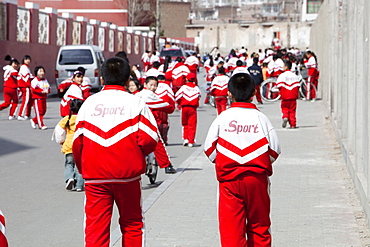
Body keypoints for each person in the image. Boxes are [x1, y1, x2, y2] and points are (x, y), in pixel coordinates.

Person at [72, 57, 159, 246]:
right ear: (128, 79)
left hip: (95, 177)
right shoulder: (136, 104)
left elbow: (77, 143)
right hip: (127, 176)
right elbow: (150, 140)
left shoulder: (89, 104)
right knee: (133, 224)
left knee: (96, 228)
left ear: (102, 79)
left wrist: (82, 169)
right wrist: (136, 155)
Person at [203, 72, 281, 247]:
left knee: (231, 230)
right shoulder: (261, 118)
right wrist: (255, 160)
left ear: (229, 94)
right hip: (257, 179)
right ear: (254, 93)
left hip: (229, 181)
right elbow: (275, 150)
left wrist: (226, 160)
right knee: (260, 226)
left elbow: (209, 150)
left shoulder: (222, 118)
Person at [136, 76, 177, 174]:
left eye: (155, 86)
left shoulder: (136, 95)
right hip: (148, 123)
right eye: (151, 85)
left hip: (135, 124)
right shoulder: (150, 95)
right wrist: (171, 108)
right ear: (145, 84)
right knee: (158, 143)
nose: (153, 87)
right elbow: (167, 107)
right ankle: (167, 165)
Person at [54, 99, 85, 191]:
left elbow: (59, 132)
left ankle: (69, 178)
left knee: (69, 164)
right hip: (80, 145)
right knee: (79, 166)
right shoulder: (83, 119)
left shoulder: (66, 119)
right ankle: (79, 185)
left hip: (68, 145)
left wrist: (61, 141)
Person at [175, 73, 201, 147]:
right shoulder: (196, 88)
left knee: (185, 123)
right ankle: (191, 140)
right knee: (192, 125)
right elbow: (199, 96)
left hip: (184, 107)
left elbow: (177, 96)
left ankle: (185, 138)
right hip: (193, 108)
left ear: (186, 79)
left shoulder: (183, 87)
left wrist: (179, 103)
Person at [275, 61, 300, 129]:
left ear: (286, 67)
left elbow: (279, 85)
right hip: (293, 95)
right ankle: (293, 124)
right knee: (292, 110)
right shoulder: (294, 76)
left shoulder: (282, 75)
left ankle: (285, 116)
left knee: (285, 108)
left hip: (285, 95)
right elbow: (298, 85)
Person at [155, 74, 175, 145]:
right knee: (164, 123)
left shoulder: (154, 85)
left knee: (156, 123)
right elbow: (171, 96)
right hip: (164, 106)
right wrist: (172, 106)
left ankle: (157, 138)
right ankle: (164, 139)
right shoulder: (166, 86)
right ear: (164, 80)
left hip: (155, 107)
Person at [0, 55, 19, 120]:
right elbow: (16, 75)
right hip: (12, 88)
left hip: (5, 88)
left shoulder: (6, 69)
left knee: (7, 103)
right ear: (11, 63)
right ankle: (11, 115)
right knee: (15, 102)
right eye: (14, 64)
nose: (15, 65)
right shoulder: (13, 71)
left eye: (16, 64)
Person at [17, 55, 34, 120]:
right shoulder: (24, 67)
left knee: (29, 100)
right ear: (24, 60)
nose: (28, 60)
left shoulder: (27, 67)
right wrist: (29, 86)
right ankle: (20, 115)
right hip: (25, 86)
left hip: (26, 85)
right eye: (26, 59)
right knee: (26, 100)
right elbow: (25, 78)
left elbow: (30, 76)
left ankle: (27, 114)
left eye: (29, 59)